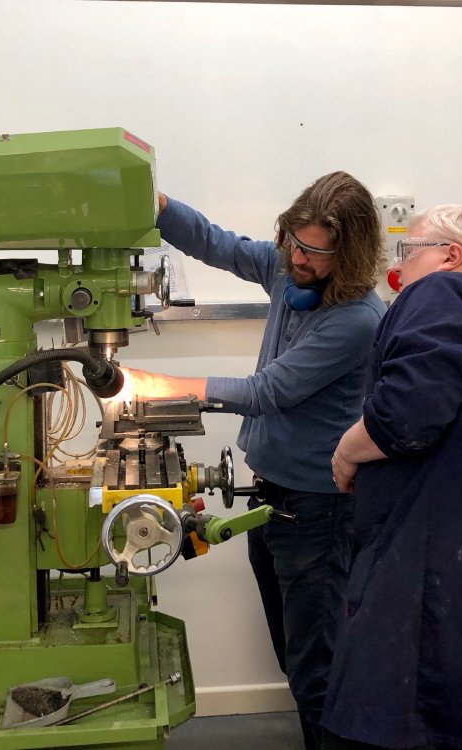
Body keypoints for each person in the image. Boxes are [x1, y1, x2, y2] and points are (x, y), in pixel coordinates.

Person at [123, 172, 387, 750]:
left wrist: (160, 386)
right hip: (274, 499)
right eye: (293, 240)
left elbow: (268, 391)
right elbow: (218, 243)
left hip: (319, 513)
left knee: (319, 672)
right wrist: (159, 205)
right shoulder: (288, 267)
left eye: (315, 251)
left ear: (350, 254)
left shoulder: (356, 319)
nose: (297, 257)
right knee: (297, 658)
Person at [323, 205, 462, 749]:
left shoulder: (445, 292)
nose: (397, 271)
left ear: (452, 255)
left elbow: (406, 418)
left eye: (407, 251)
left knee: (398, 720)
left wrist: (346, 451)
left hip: (427, 573)